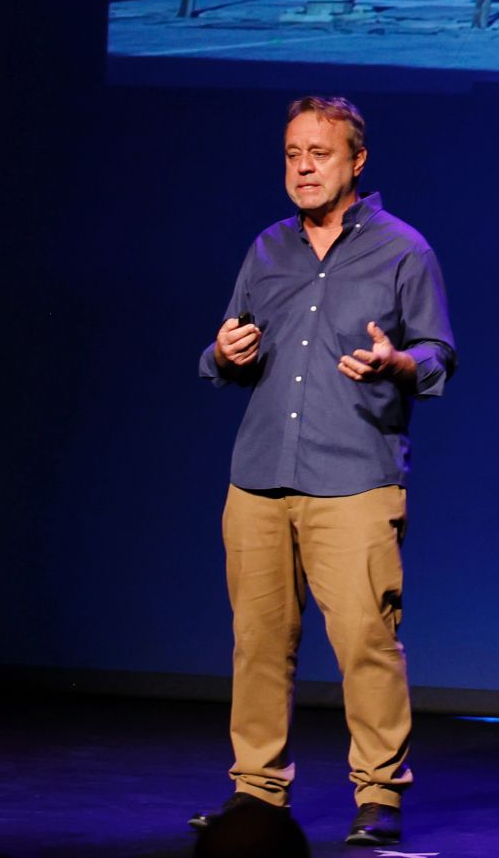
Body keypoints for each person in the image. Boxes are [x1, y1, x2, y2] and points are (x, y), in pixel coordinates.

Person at [192, 96, 457, 851]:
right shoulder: (268, 248)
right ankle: (255, 796)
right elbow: (227, 350)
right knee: (257, 642)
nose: (303, 167)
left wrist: (397, 360)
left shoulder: (403, 250)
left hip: (355, 479)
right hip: (259, 478)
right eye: (291, 153)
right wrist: (225, 354)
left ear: (356, 160)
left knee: (367, 643)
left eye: (319, 152)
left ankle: (378, 796)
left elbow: (439, 356)